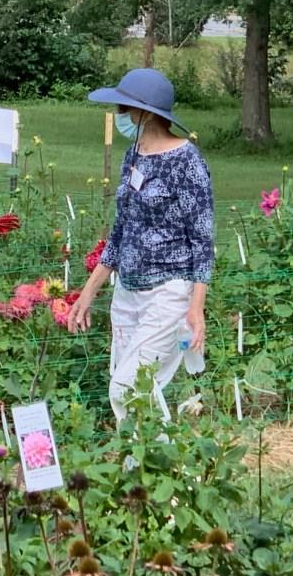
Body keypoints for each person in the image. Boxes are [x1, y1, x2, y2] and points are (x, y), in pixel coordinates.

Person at [67, 68, 214, 423]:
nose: (120, 116)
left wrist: (196, 308)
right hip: (127, 294)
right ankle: (144, 473)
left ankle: (164, 470)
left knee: (126, 389)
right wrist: (88, 293)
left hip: (168, 292)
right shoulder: (133, 155)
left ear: (146, 113)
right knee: (134, 396)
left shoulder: (187, 161)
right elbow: (120, 232)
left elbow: (204, 240)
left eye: (124, 109)